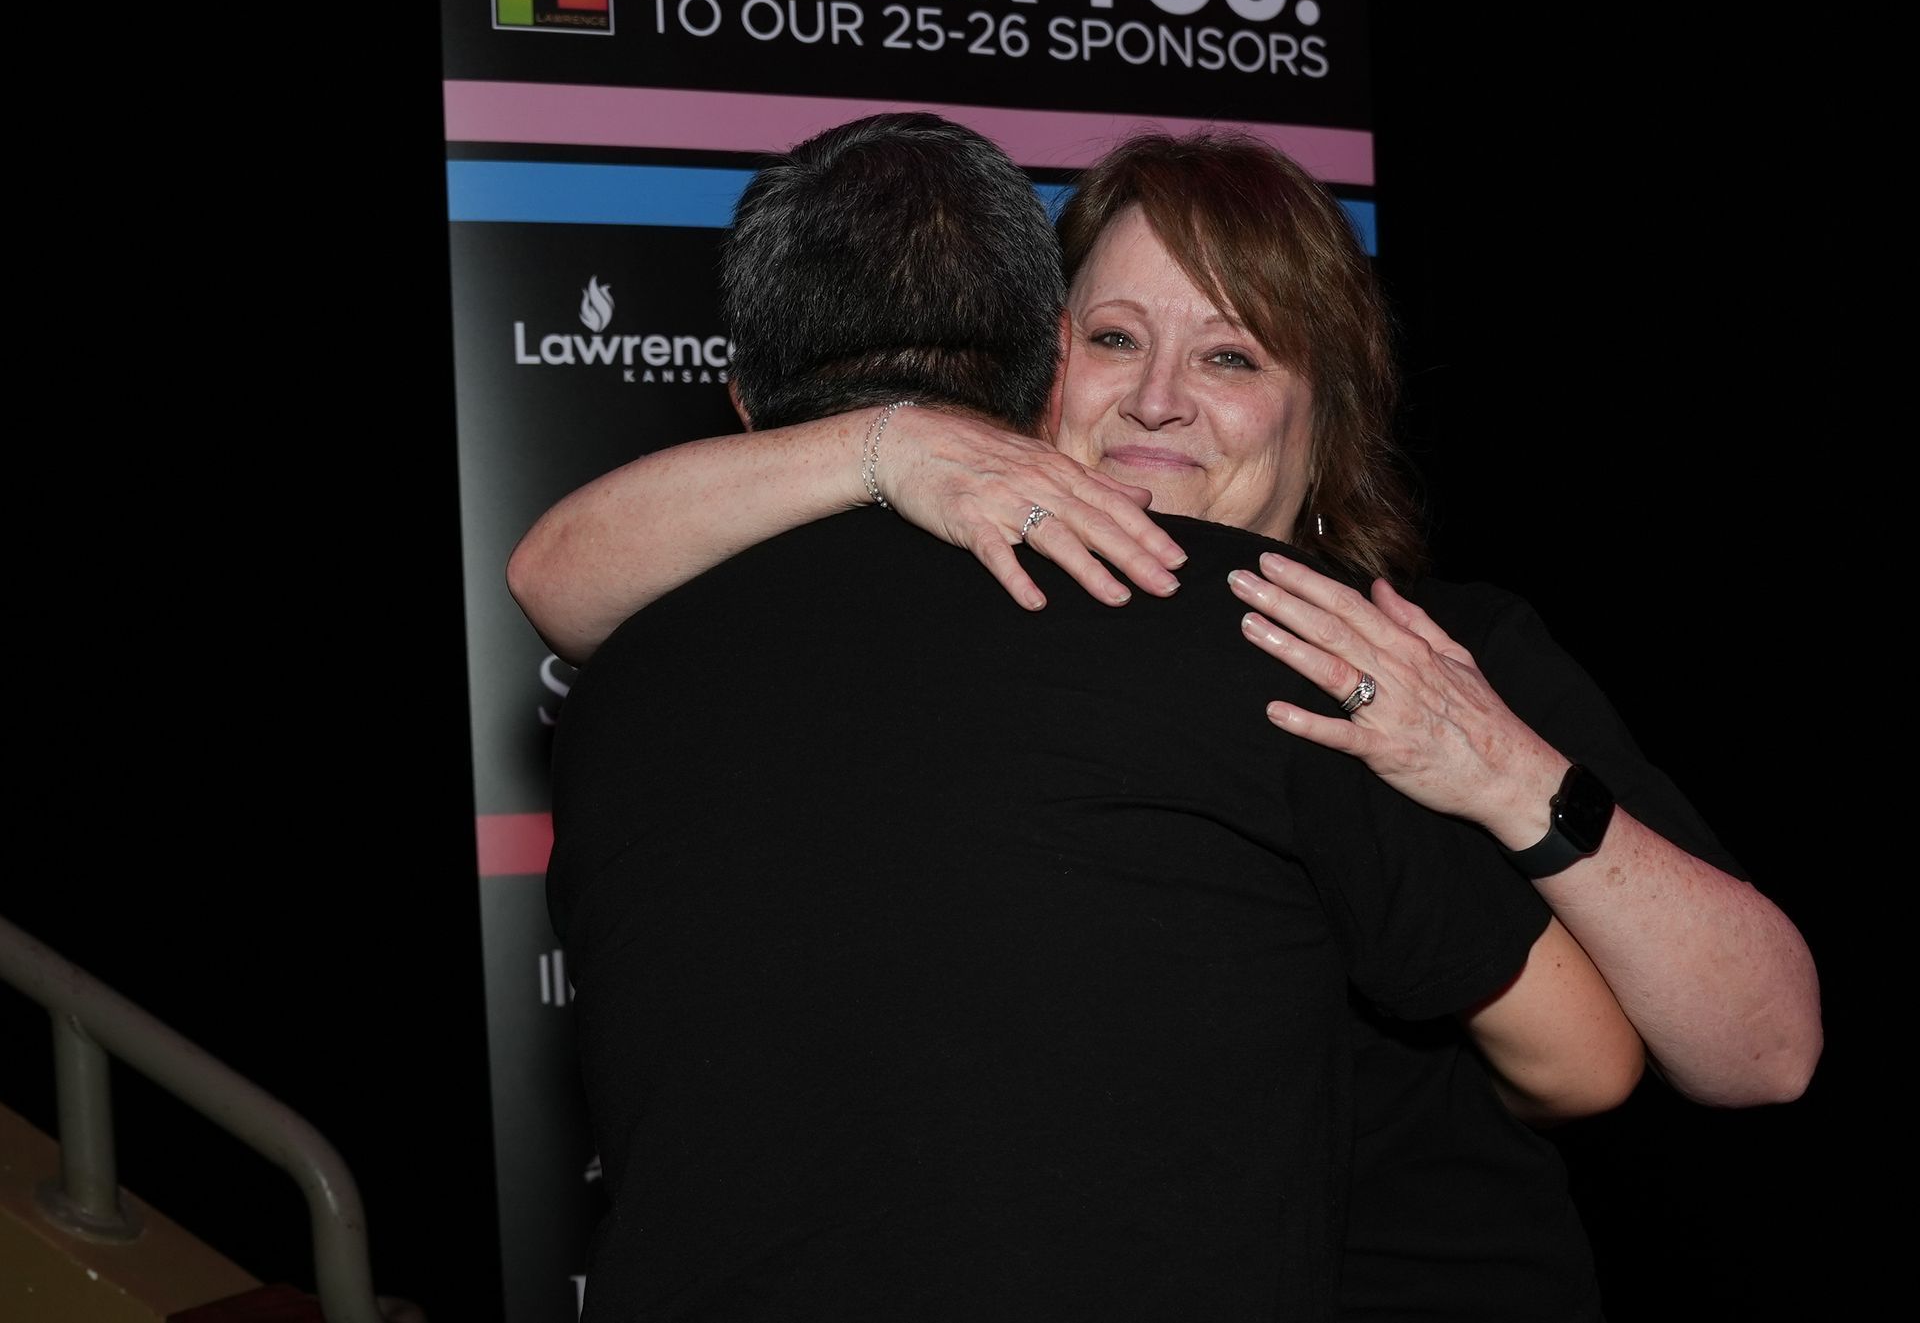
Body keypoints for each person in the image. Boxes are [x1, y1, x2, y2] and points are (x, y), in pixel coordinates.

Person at [514, 127, 1821, 1320]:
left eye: (1231, 356)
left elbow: (1763, 1052)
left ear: (1327, 412)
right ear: (1040, 366)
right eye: (1114, 339)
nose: (1157, 401)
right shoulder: (973, 642)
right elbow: (560, 578)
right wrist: (896, 450)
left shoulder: (1446, 646)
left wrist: (1501, 768)